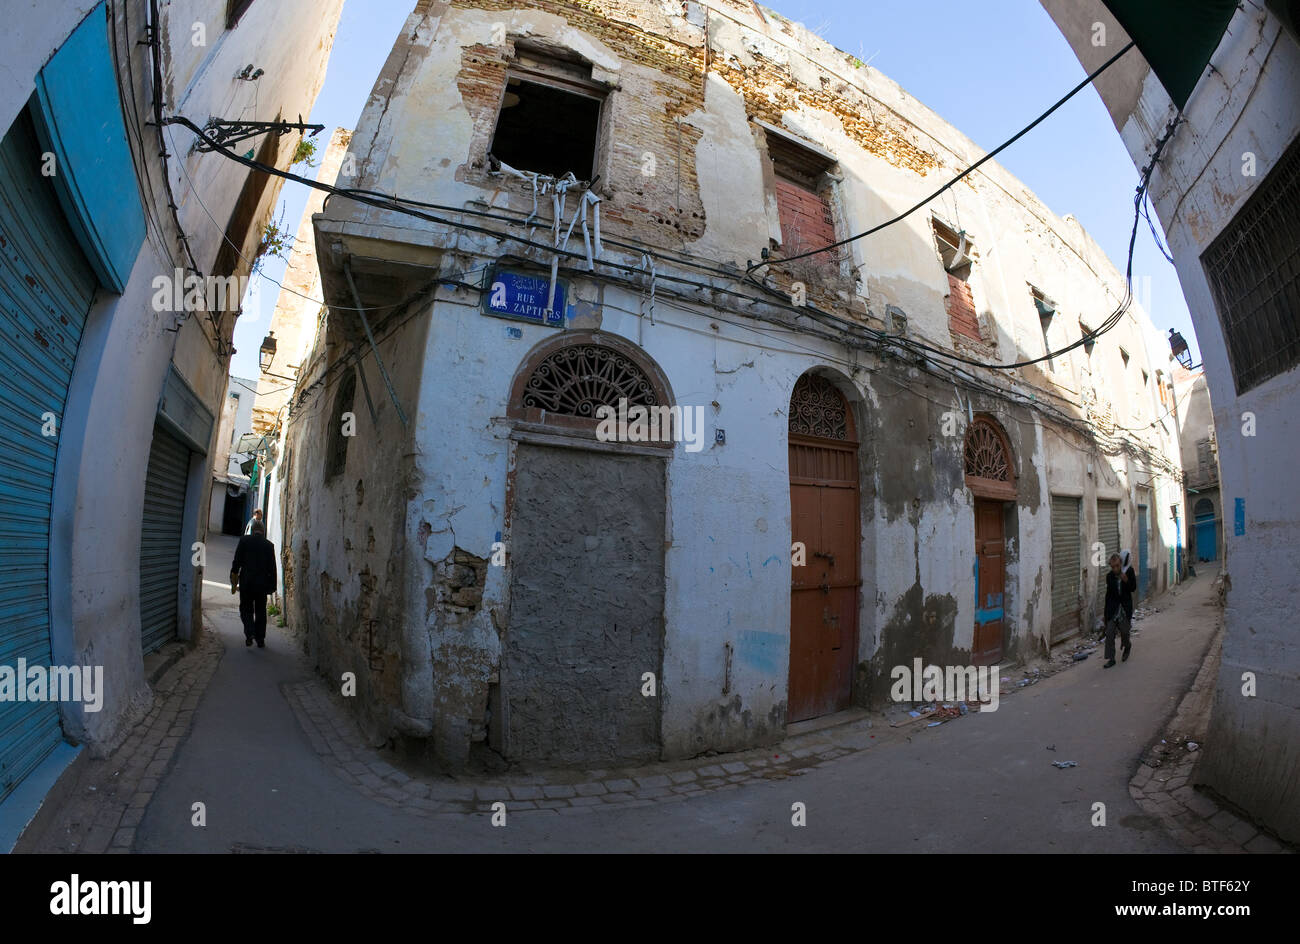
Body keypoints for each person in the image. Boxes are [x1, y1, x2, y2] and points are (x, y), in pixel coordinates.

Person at [231, 519, 277, 648]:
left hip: (246, 582)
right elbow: (272, 568)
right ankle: (260, 639)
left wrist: (234, 573)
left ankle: (249, 632)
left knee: (246, 608)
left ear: (252, 530)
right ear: (263, 531)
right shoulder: (269, 545)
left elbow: (237, 560)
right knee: (261, 610)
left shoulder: (244, 541)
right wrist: (272, 586)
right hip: (262, 584)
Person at [1102, 551, 1138, 668]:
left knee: (1125, 632)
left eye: (1117, 566)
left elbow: (1133, 588)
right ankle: (1111, 658)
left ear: (1121, 563)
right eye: (1113, 567)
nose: (1115, 569)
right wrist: (1105, 615)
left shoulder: (1129, 571)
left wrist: (1126, 580)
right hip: (1113, 609)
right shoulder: (1109, 577)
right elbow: (1108, 596)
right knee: (1110, 633)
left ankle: (1127, 646)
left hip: (1124, 608)